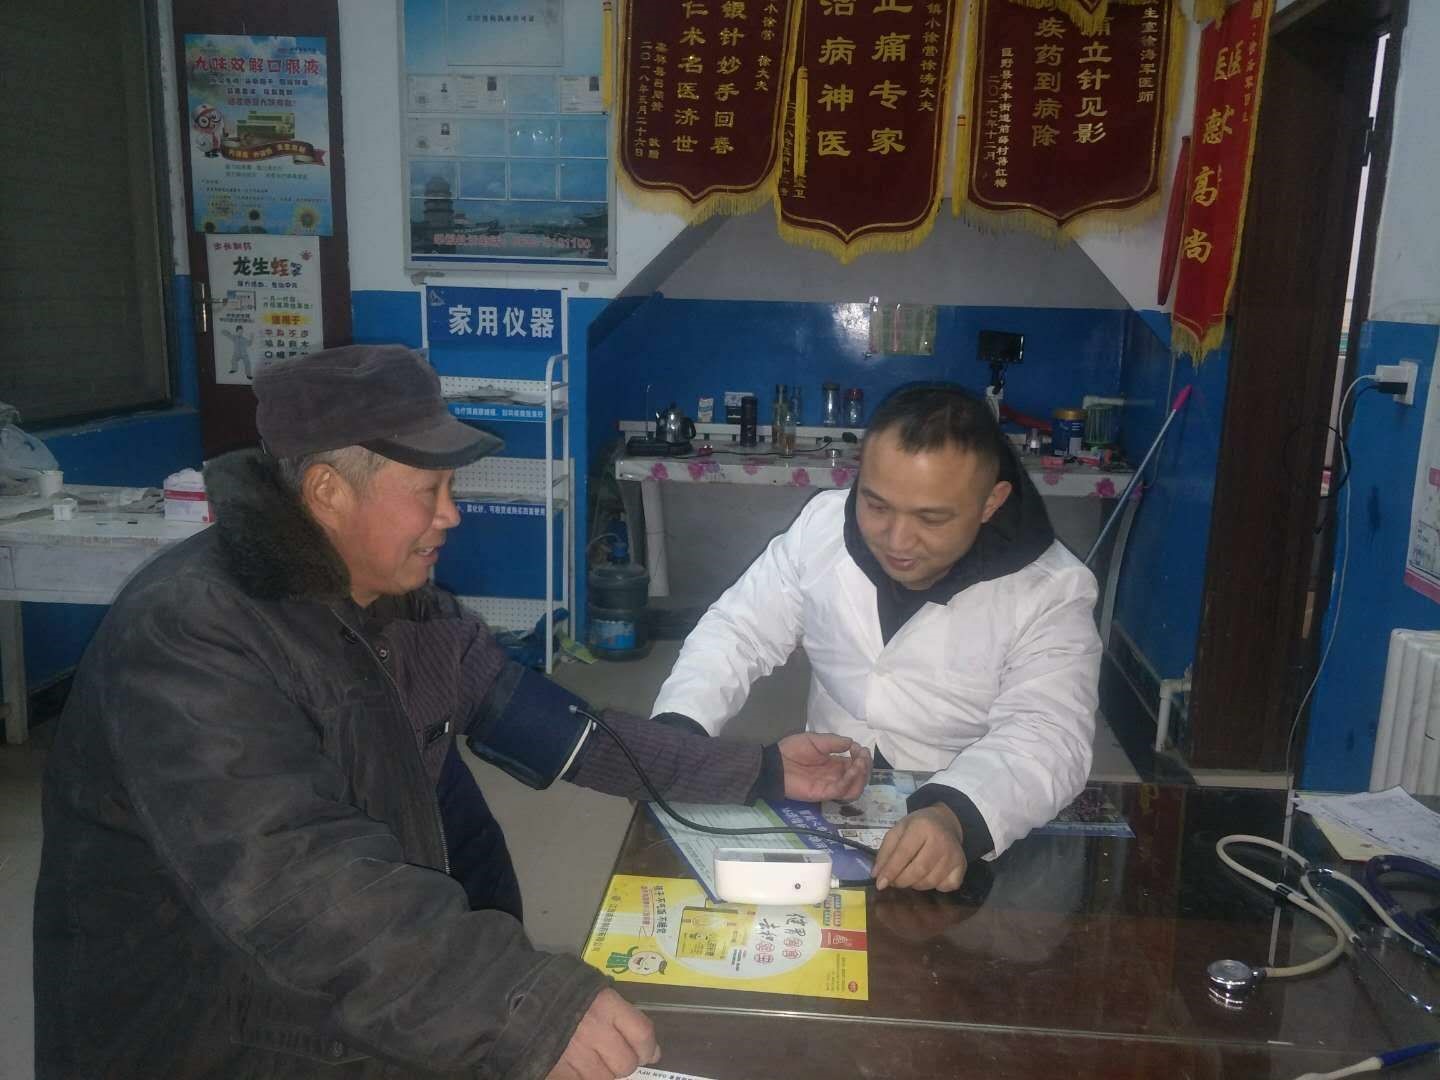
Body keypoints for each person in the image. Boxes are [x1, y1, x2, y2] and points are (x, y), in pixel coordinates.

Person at [33, 344, 870, 1080]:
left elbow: (574, 738)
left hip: (342, 991)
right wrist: (516, 1002)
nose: (452, 513)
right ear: (327, 492)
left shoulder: (410, 615)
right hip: (208, 1024)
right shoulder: (191, 635)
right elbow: (297, 883)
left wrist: (760, 770)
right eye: (429, 489)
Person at [651, 383, 1101, 893]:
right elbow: (738, 630)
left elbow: (1048, 732)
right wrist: (677, 730)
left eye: (932, 518)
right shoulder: (823, 526)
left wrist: (957, 814)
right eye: (877, 505)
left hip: (965, 810)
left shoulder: (1052, 589)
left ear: (990, 502)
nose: (897, 540)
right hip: (821, 792)